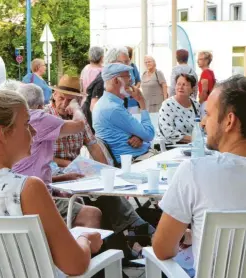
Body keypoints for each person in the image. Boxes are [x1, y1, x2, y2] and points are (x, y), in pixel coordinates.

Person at [0, 90, 103, 277]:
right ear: (3, 133)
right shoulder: (27, 189)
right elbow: (75, 265)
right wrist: (85, 238)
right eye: (27, 124)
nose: (34, 132)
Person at [45, 75, 155, 255]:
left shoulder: (79, 120)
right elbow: (42, 156)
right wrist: (70, 163)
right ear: (54, 94)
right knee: (99, 197)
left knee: (104, 188)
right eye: (61, 98)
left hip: (75, 171)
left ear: (78, 101)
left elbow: (94, 147)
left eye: (70, 100)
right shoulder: (47, 117)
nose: (64, 103)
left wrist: (105, 172)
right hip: (54, 173)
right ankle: (134, 230)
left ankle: (127, 241)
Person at [153, 75, 246, 275]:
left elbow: (162, 249)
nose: (203, 123)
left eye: (209, 115)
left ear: (229, 121)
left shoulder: (194, 171)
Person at [5, 82, 102, 228]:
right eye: (62, 98)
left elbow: (29, 169)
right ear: (52, 97)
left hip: (33, 189)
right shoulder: (39, 117)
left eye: (70, 101)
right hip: (33, 198)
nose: (31, 132)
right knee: (91, 213)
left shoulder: (12, 121)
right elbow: (79, 125)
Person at [93, 63, 155, 164]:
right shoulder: (113, 108)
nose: (131, 81)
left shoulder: (105, 103)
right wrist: (142, 102)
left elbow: (142, 134)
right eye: (128, 77)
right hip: (136, 160)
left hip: (138, 157)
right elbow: (149, 134)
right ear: (116, 80)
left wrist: (140, 137)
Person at [82, 47, 135, 132]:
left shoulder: (119, 78)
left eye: (128, 61)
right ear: (111, 63)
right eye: (124, 62)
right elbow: (95, 109)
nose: (127, 65)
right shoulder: (103, 81)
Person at [158, 74, 200, 145]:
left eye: (185, 85)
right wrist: (193, 139)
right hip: (171, 146)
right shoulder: (168, 104)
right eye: (178, 84)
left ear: (192, 89)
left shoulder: (196, 105)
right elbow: (167, 131)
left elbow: (199, 127)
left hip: (192, 146)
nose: (180, 87)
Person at [126, 46, 141, 114]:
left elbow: (138, 81)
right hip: (121, 101)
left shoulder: (133, 66)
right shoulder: (118, 67)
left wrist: (135, 88)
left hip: (133, 100)